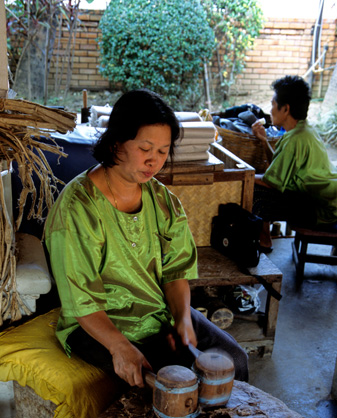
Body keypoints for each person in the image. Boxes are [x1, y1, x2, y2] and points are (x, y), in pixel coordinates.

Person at [45, 89, 248, 388]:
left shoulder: (164, 201)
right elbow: (82, 301)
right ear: (116, 143)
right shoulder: (78, 208)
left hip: (156, 312)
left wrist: (182, 319)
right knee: (166, 384)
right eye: (145, 148)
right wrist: (119, 347)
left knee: (234, 361)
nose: (154, 161)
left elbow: (175, 272)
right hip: (98, 324)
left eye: (163, 151)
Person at [252, 75, 337, 252]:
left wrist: (244, 176)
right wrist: (263, 141)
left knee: (256, 194)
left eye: (274, 104)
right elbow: (279, 166)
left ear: (285, 109)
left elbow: (271, 181)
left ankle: (264, 241)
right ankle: (264, 238)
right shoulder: (304, 130)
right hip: (325, 201)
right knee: (257, 184)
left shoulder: (295, 139)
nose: (271, 110)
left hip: (322, 210)